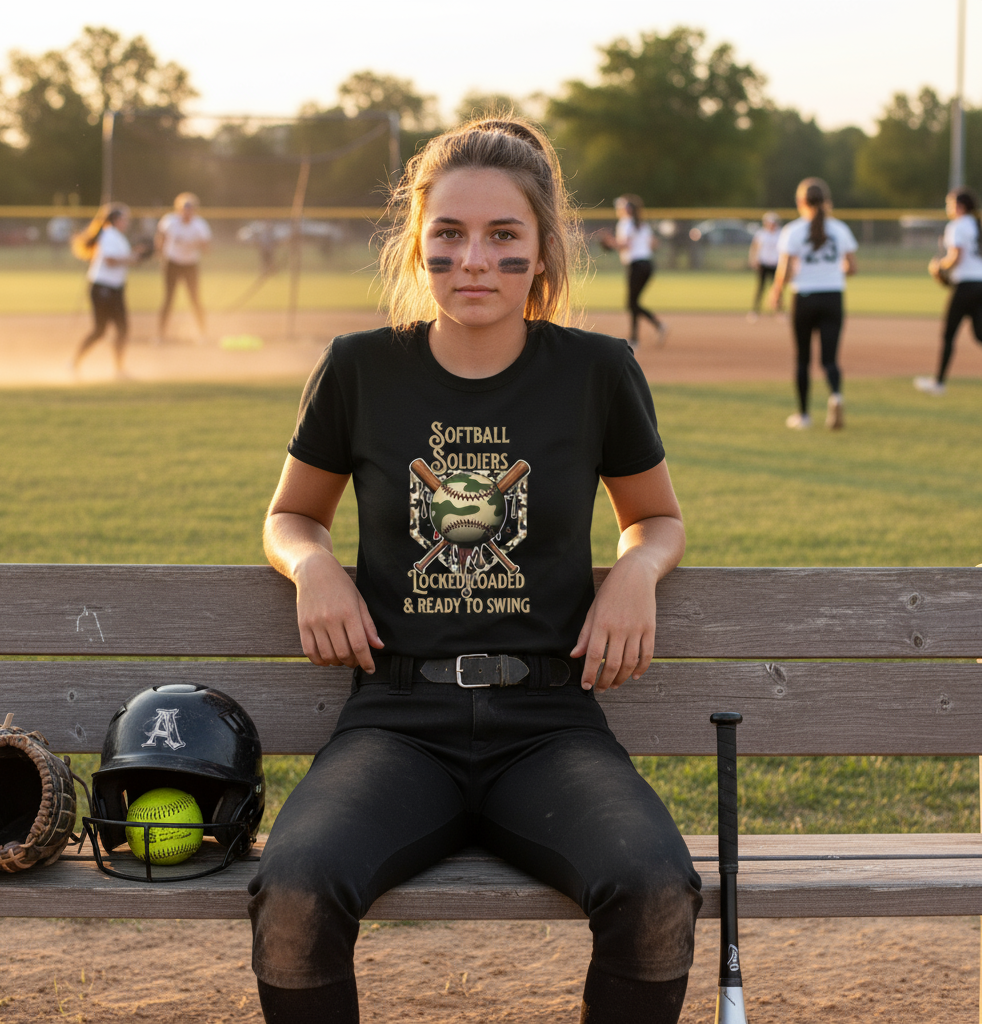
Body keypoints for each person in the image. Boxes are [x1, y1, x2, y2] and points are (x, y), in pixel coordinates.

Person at [248, 117, 702, 1024]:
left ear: (541, 252)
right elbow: (291, 514)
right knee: (294, 893)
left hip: (547, 724)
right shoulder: (360, 369)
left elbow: (655, 520)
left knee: (655, 890)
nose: (474, 260)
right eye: (448, 235)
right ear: (419, 244)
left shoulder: (596, 371)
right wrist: (313, 565)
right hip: (398, 722)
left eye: (504, 236)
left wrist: (635, 572)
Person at [770, 178, 858, 430]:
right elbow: (852, 267)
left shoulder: (793, 231)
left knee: (803, 359)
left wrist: (776, 292)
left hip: (805, 297)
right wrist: (831, 269)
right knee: (830, 360)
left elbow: (785, 269)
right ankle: (836, 397)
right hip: (833, 296)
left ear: (801, 202)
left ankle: (804, 415)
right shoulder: (839, 229)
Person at [914, 187, 982, 395]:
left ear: (959, 206)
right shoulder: (977, 224)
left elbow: (956, 256)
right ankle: (939, 382)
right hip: (980, 285)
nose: (948, 208)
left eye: (950, 203)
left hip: (965, 287)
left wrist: (939, 267)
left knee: (948, 334)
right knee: (980, 334)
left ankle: (939, 383)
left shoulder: (958, 226)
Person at [69, 203, 138, 378]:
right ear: (115, 220)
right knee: (101, 330)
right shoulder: (109, 235)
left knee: (121, 329)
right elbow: (109, 260)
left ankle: (119, 369)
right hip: (102, 288)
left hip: (115, 289)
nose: (127, 222)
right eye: (124, 218)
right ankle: (75, 363)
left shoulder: (117, 236)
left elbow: (120, 258)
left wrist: (136, 255)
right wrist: (131, 258)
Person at [602, 194, 667, 348]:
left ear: (627, 209)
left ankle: (638, 337)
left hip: (636, 266)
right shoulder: (642, 224)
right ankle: (654, 328)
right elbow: (654, 244)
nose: (618, 209)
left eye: (620, 206)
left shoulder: (625, 223)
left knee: (632, 303)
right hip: (648, 265)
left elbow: (625, 245)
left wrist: (610, 243)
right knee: (634, 302)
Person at [155, 192, 212, 344]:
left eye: (190, 208)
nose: (187, 212)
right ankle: (160, 335)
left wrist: (200, 244)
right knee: (168, 300)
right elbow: (161, 237)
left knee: (195, 299)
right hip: (172, 263)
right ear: (179, 209)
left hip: (190, 265)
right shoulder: (170, 221)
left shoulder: (199, 225)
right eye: (184, 208)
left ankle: (202, 334)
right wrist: (160, 252)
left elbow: (206, 248)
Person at [747, 211, 780, 319]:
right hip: (763, 263)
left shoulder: (780, 233)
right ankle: (755, 310)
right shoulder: (761, 233)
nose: (771, 225)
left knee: (777, 288)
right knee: (760, 288)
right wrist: (753, 259)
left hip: (776, 264)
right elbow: (754, 247)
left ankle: (778, 311)